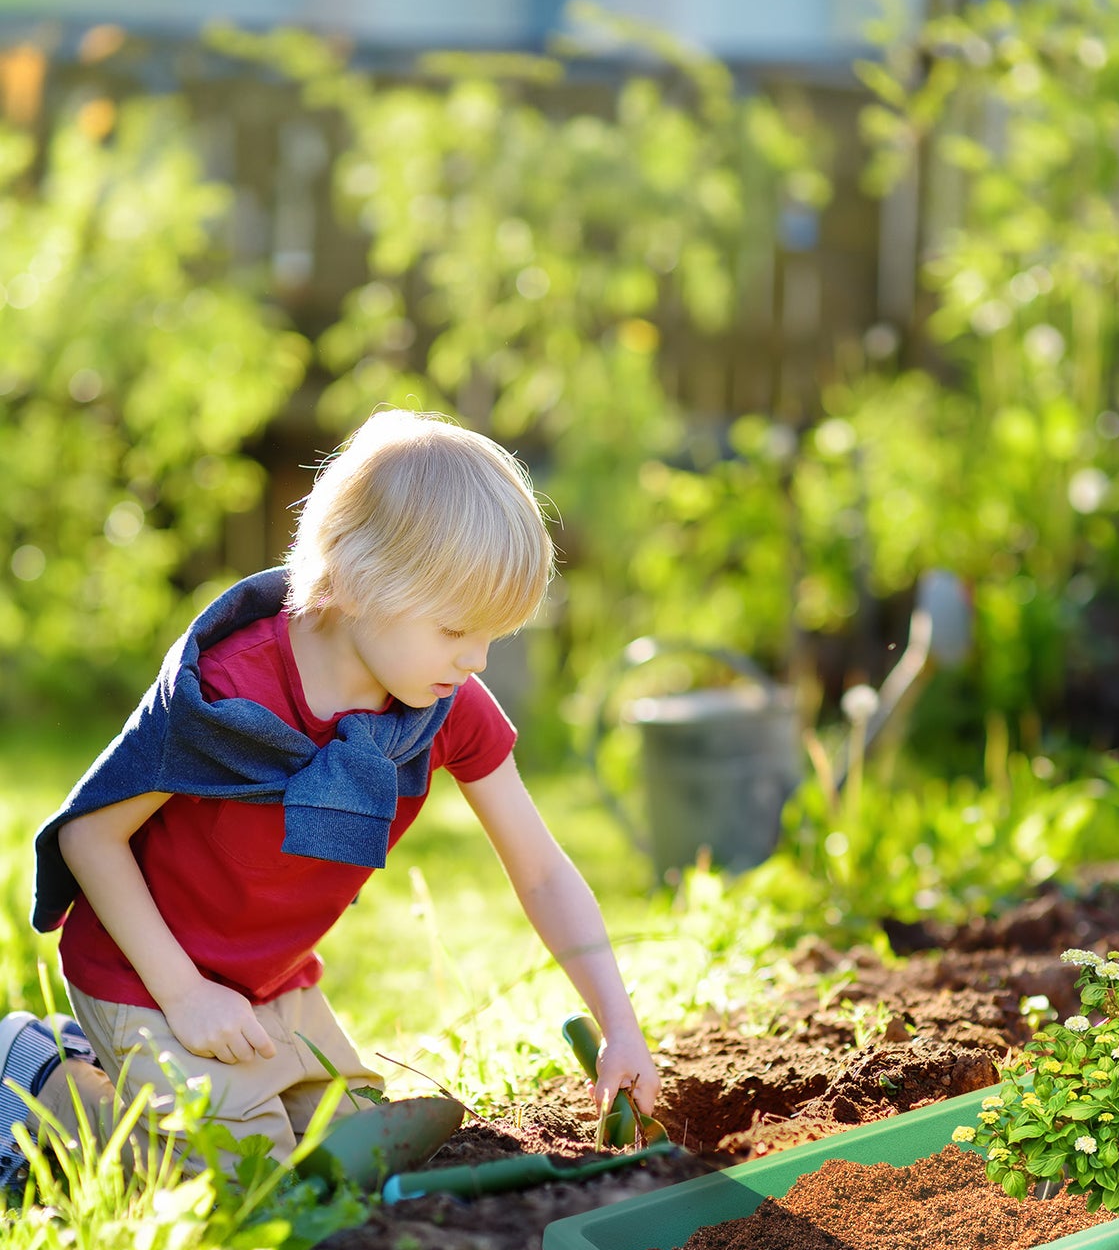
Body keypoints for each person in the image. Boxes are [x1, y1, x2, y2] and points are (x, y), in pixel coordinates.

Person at [14, 409, 659, 1179]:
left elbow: (542, 870)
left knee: (352, 1163)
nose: (477, 659)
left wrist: (618, 1024)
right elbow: (89, 835)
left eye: (494, 634)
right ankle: (44, 1071)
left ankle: (187, 1082)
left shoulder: (443, 704)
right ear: (358, 579)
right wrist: (184, 996)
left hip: (270, 979)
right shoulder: (226, 691)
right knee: (237, 1187)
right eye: (457, 628)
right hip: (145, 974)